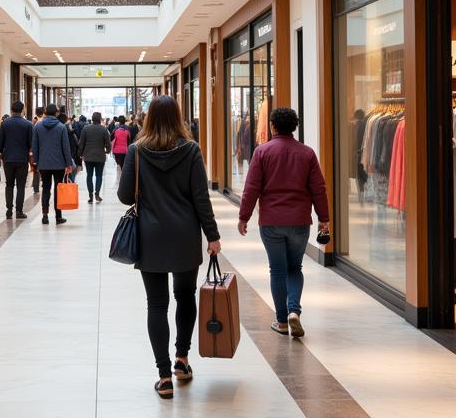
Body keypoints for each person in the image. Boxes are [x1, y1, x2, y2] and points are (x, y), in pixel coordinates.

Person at [118, 95, 220, 399]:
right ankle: (182, 360)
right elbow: (201, 197)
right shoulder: (190, 150)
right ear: (178, 117)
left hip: (150, 236)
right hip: (185, 235)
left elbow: (125, 196)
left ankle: (163, 376)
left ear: (149, 118)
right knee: (185, 296)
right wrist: (212, 235)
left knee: (157, 303)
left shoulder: (137, 151)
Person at [238, 107, 330, 338]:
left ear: (272, 126)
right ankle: (294, 311)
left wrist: (244, 217)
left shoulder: (262, 152)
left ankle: (281, 321)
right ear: (294, 127)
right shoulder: (307, 153)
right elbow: (318, 189)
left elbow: (251, 188)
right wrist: (324, 219)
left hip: (271, 222)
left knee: (277, 270)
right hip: (299, 221)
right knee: (294, 268)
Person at [31, 102, 73, 225]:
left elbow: (35, 146)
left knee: (46, 188)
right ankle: (58, 216)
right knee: (58, 189)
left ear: (45, 113)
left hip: (43, 163)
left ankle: (45, 215)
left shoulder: (38, 126)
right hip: (59, 164)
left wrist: (36, 162)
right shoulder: (61, 127)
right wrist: (68, 164)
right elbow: (66, 147)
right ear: (56, 113)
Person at [0, 100, 33, 220]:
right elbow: (31, 143)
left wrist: (1, 153)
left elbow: (0, 142)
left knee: (9, 185)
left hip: (8, 159)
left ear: (12, 110)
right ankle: (19, 211)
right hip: (22, 159)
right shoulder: (27, 124)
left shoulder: (5, 124)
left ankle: (8, 210)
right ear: (22, 110)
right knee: (21, 186)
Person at [77, 111, 111, 203]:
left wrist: (80, 154)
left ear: (92, 119)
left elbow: (81, 143)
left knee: (89, 175)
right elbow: (108, 143)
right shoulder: (103, 129)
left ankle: (90, 195)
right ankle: (97, 194)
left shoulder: (86, 129)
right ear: (100, 119)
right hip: (100, 156)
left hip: (88, 156)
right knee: (99, 176)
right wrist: (107, 151)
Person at [31, 106, 45, 194]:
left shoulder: (34, 122)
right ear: (43, 112)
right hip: (44, 148)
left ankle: (36, 187)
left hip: (35, 147)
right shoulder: (44, 121)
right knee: (44, 167)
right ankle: (44, 183)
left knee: (36, 169)